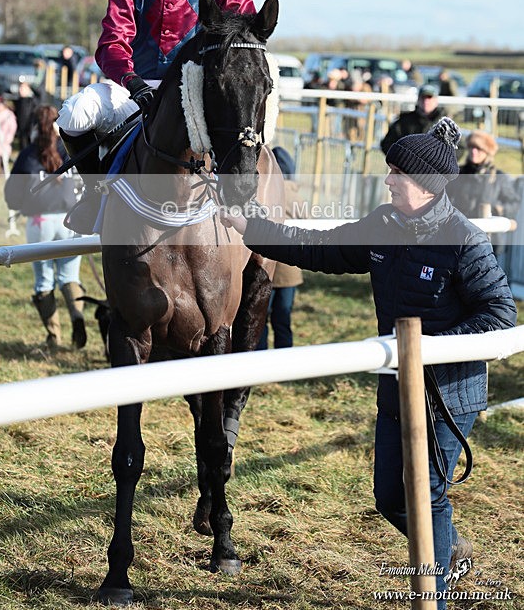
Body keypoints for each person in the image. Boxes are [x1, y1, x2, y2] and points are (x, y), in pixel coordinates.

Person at [221, 117, 516, 610]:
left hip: (448, 393)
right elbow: (322, 247)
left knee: (428, 497)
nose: (387, 179)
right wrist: (251, 228)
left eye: (396, 172)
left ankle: (434, 598)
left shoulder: (464, 240)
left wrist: (433, 348)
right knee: (389, 498)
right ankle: (451, 550)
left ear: (423, 184)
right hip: (396, 384)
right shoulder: (383, 222)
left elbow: (500, 316)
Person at [57, 0, 256, 234]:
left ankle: (249, 201)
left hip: (194, 90)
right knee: (74, 113)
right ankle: (94, 192)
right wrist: (132, 82)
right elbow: (111, 42)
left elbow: (245, 30)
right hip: (136, 89)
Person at [4, 105, 87, 349]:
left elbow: (12, 192)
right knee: (70, 276)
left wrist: (21, 206)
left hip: (40, 222)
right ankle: (78, 317)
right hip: (72, 221)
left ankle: (54, 338)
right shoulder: (72, 151)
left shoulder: (28, 154)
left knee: (44, 281)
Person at [447, 130, 520, 265]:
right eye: (472, 147)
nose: (474, 152)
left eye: (479, 148)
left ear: (487, 152)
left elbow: (514, 202)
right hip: (460, 238)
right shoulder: (459, 174)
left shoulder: (498, 177)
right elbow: (446, 198)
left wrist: (499, 210)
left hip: (489, 242)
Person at [258, 147, 303, 350]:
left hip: (266, 267)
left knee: (261, 317)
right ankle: (285, 355)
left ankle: (259, 355)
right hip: (290, 271)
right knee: (283, 316)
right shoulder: (296, 197)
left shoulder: (266, 192)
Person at [380, 84, 444, 155]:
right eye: (423, 98)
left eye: (429, 97)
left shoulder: (444, 124)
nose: (426, 101)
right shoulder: (404, 121)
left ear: (436, 101)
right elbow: (387, 144)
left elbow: (457, 147)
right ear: (418, 100)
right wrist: (402, 159)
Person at [0, 96, 17, 178]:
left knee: (3, 156)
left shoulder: (9, 115)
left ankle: (2, 170)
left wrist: (9, 138)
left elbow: (12, 127)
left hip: (4, 139)